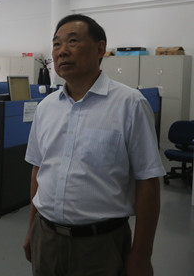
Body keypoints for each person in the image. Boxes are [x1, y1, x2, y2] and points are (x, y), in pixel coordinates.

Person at [23, 14, 165, 276]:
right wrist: (32, 228)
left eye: (73, 41)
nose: (62, 51)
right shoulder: (46, 108)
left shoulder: (130, 104)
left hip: (101, 244)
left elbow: (148, 181)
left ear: (100, 49)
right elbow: (38, 170)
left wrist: (142, 254)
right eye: (56, 44)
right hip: (46, 237)